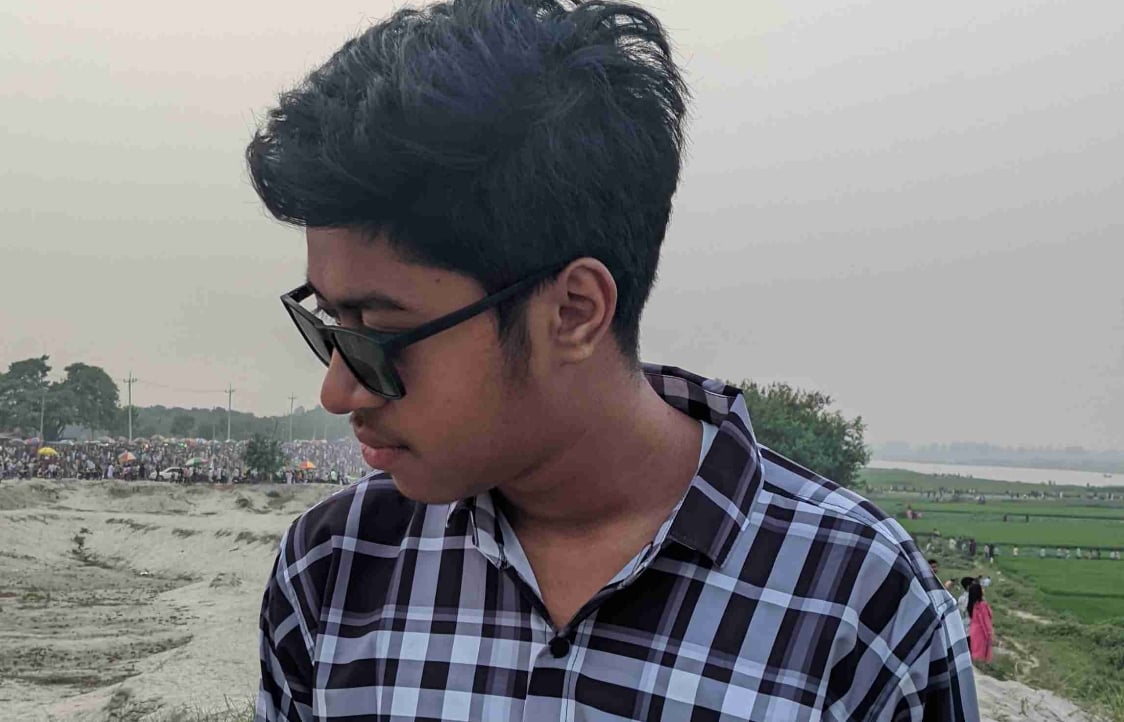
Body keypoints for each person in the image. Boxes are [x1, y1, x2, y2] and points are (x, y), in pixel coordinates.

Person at [246, 2, 978, 720]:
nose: (338, 390)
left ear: (574, 312)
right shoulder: (335, 569)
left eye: (376, 335)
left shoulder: (858, 607)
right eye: (328, 325)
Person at [967, 582, 993, 664]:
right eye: (981, 588)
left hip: (973, 630)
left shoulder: (972, 604)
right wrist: (989, 634)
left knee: (975, 652)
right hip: (981, 632)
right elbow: (986, 621)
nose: (983, 590)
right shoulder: (982, 605)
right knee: (981, 655)